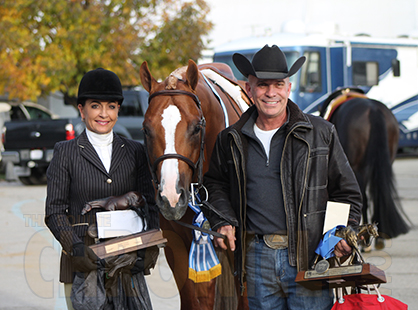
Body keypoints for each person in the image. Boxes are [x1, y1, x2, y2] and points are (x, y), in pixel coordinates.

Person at [202, 45, 363, 309]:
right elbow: (215, 184)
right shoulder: (230, 139)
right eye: (263, 85)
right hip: (256, 258)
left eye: (278, 84)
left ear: (288, 88)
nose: (271, 93)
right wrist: (222, 220)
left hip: (309, 256)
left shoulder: (321, 133)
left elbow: (348, 194)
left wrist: (345, 233)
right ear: (249, 88)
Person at [45, 68, 159, 309]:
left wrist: (150, 245)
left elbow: (150, 203)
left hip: (128, 259)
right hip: (84, 262)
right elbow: (54, 211)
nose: (103, 114)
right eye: (95, 106)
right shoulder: (65, 152)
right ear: (81, 109)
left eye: (111, 106)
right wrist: (74, 247)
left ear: (118, 109)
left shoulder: (135, 151)